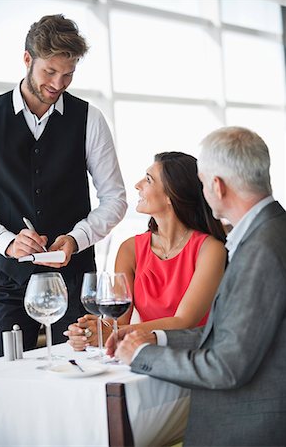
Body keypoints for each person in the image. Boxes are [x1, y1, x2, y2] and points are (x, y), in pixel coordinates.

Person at [106, 127, 286, 447]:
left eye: (202, 182)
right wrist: (156, 336)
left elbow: (225, 367)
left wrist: (143, 354)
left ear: (216, 186)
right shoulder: (269, 233)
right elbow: (226, 335)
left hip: (248, 431)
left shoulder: (261, 249)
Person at [0, 14, 127, 359]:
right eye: (49, 72)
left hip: (75, 280)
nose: (58, 84)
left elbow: (115, 199)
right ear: (27, 59)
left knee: (81, 371)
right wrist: (7, 243)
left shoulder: (89, 119)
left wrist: (76, 239)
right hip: (8, 282)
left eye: (68, 75)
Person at [64, 152, 227, 350]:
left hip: (195, 357)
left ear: (171, 195)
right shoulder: (130, 249)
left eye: (148, 180)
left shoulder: (210, 249)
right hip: (144, 354)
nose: (138, 185)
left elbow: (184, 321)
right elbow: (117, 321)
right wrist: (90, 331)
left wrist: (116, 333)